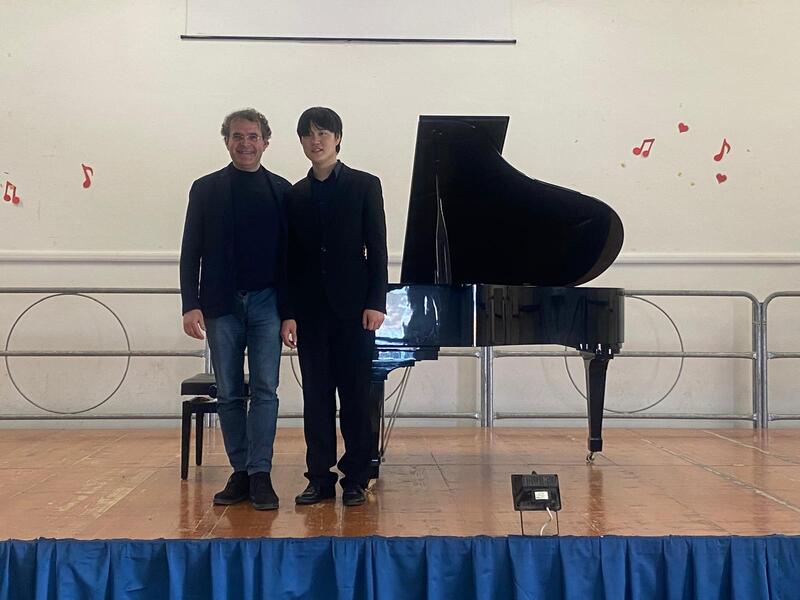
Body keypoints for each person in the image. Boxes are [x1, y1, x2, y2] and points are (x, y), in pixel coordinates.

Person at [180, 108, 290, 510]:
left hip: (268, 302)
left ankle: (261, 473)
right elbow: (191, 249)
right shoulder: (205, 188)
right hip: (220, 304)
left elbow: (291, 258)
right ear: (227, 141)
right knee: (228, 392)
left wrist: (290, 311)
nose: (245, 143)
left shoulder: (282, 190)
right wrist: (190, 304)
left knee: (265, 390)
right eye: (238, 136)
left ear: (266, 142)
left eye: (253, 136)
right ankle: (240, 471)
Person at [280, 107, 388, 507]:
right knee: (317, 399)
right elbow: (290, 260)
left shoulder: (365, 185)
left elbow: (377, 248)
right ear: (301, 141)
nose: (316, 141)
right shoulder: (295, 195)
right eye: (308, 135)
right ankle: (319, 478)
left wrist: (376, 301)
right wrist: (288, 312)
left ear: (338, 138)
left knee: (356, 397)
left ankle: (356, 477)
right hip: (310, 313)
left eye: (323, 133)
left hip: (355, 310)